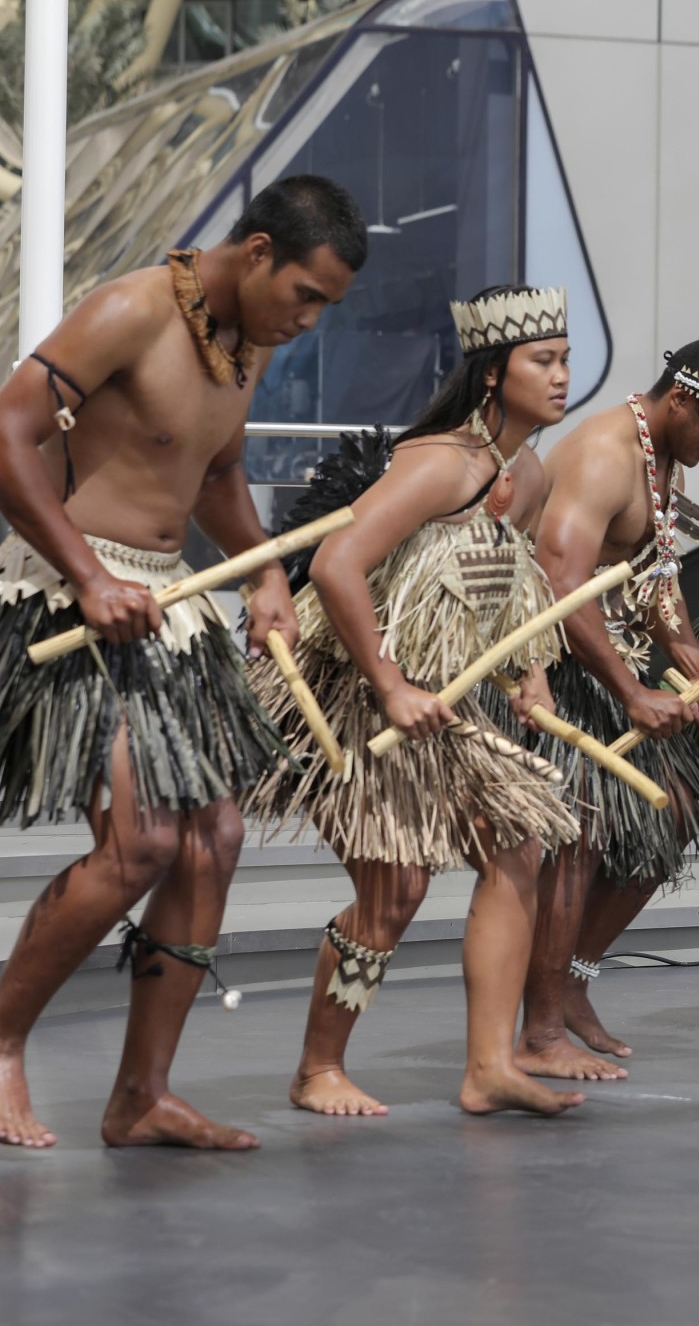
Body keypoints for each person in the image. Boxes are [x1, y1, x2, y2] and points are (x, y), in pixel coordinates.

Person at [0, 175, 364, 1148]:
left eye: (326, 306)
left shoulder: (247, 345)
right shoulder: (133, 309)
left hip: (161, 609)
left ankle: (141, 1093)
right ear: (259, 251)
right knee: (142, 841)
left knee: (212, 839)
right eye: (306, 295)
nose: (311, 320)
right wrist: (87, 574)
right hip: (65, 598)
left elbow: (214, 471)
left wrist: (261, 570)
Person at [246, 285, 583, 1118]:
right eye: (544, 360)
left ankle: (489, 1065)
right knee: (393, 889)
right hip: (350, 691)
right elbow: (335, 565)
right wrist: (390, 683)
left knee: (519, 843)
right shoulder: (444, 462)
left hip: (433, 699)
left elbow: (500, 588)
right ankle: (317, 1067)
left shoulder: (526, 472)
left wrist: (526, 671)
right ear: (494, 375)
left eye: (566, 359)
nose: (563, 376)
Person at [516, 310, 699, 1075]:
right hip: (546, 663)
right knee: (581, 835)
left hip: (603, 658)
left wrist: (697, 667)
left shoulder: (662, 459)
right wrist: (632, 689)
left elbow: (654, 583)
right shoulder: (607, 453)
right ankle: (537, 1034)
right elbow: (560, 585)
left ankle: (571, 983)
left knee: (676, 814)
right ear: (683, 401)